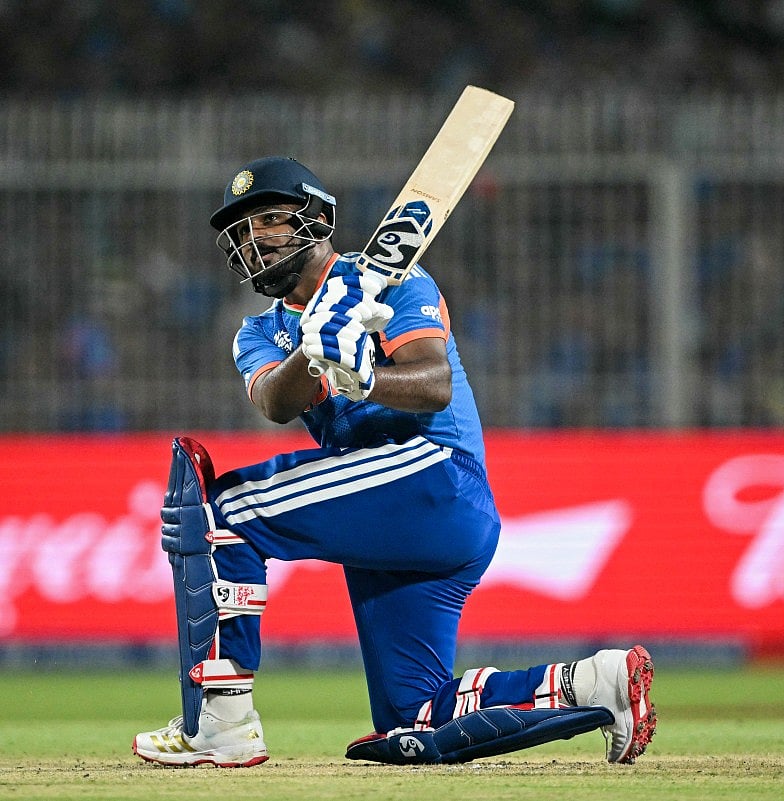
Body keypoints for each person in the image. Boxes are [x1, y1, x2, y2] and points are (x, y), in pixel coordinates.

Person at [132, 156, 656, 767]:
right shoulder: (256, 331)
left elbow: (433, 385)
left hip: (437, 477)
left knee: (224, 511)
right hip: (390, 517)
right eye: (243, 229)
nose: (256, 238)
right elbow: (276, 401)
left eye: (271, 218)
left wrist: (363, 375)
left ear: (318, 219)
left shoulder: (398, 282)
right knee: (415, 716)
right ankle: (600, 683)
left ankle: (221, 723)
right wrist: (317, 349)